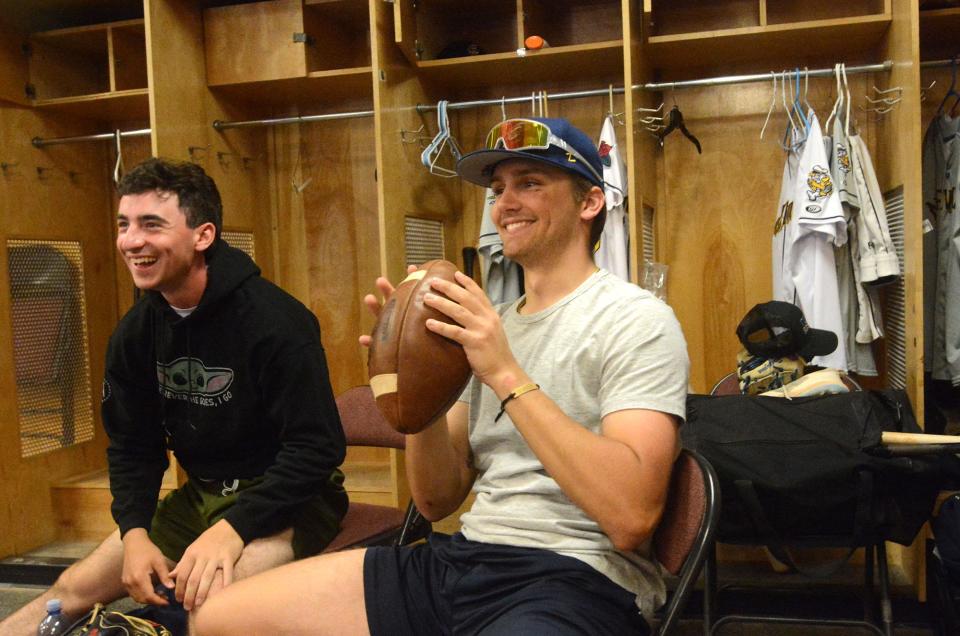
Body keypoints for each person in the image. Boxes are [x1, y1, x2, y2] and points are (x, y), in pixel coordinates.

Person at [191, 118, 689, 635]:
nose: (505, 204)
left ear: (589, 203)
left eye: (530, 183)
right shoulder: (482, 324)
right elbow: (435, 500)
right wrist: (415, 390)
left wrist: (503, 372)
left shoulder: (637, 321)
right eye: (498, 189)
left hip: (578, 578)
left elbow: (631, 517)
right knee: (220, 620)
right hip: (462, 563)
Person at [0, 158, 347, 634]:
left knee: (215, 614)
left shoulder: (277, 323)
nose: (131, 240)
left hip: (291, 498)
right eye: (125, 224)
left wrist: (232, 531)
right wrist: (136, 532)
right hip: (202, 494)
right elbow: (133, 448)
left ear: (202, 236)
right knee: (71, 589)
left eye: (151, 224)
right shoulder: (136, 333)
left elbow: (316, 450)